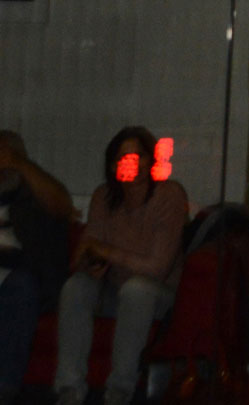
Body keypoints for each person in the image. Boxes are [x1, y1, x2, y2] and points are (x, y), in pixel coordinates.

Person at [54, 126, 188, 405]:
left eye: (137, 157)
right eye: (122, 158)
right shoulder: (104, 196)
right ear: (112, 164)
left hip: (157, 295)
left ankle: (120, 390)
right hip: (113, 287)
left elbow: (157, 268)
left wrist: (108, 252)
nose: (130, 164)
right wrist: (90, 263)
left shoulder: (169, 196)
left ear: (150, 161)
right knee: (76, 286)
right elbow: (84, 250)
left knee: (137, 289)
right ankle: (69, 388)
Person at [0, 131, 72, 405]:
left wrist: (21, 166)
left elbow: (63, 207)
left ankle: (4, 388)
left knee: (21, 285)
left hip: (19, 276)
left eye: (7, 154)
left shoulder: (29, 192)